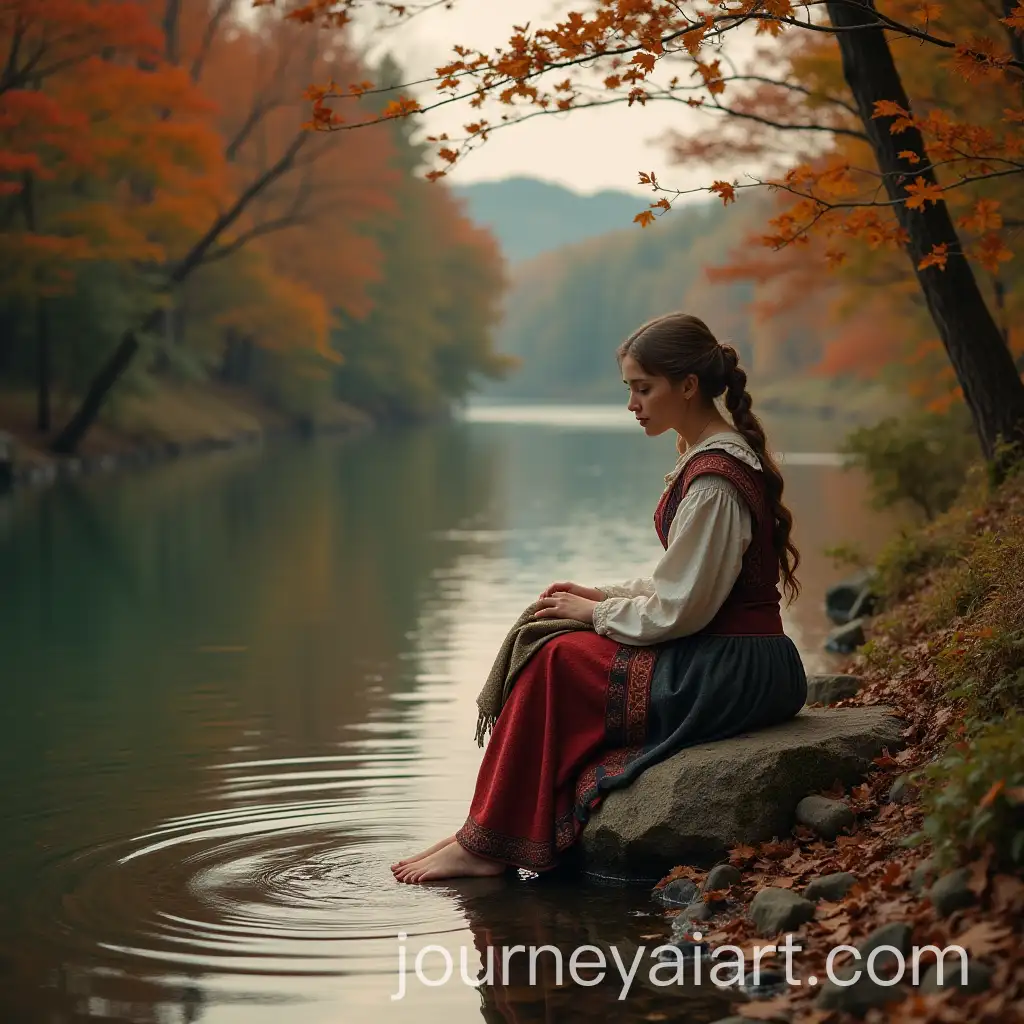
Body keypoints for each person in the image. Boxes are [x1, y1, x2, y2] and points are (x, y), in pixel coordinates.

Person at [391, 312, 807, 884]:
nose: (633, 404)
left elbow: (683, 608)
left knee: (557, 659)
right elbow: (684, 581)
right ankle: (489, 825)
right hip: (729, 655)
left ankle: (490, 843)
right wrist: (601, 596)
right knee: (557, 641)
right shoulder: (709, 458)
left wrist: (596, 614)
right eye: (629, 389)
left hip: (733, 669)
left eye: (643, 388)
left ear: (686, 386)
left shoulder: (713, 479)